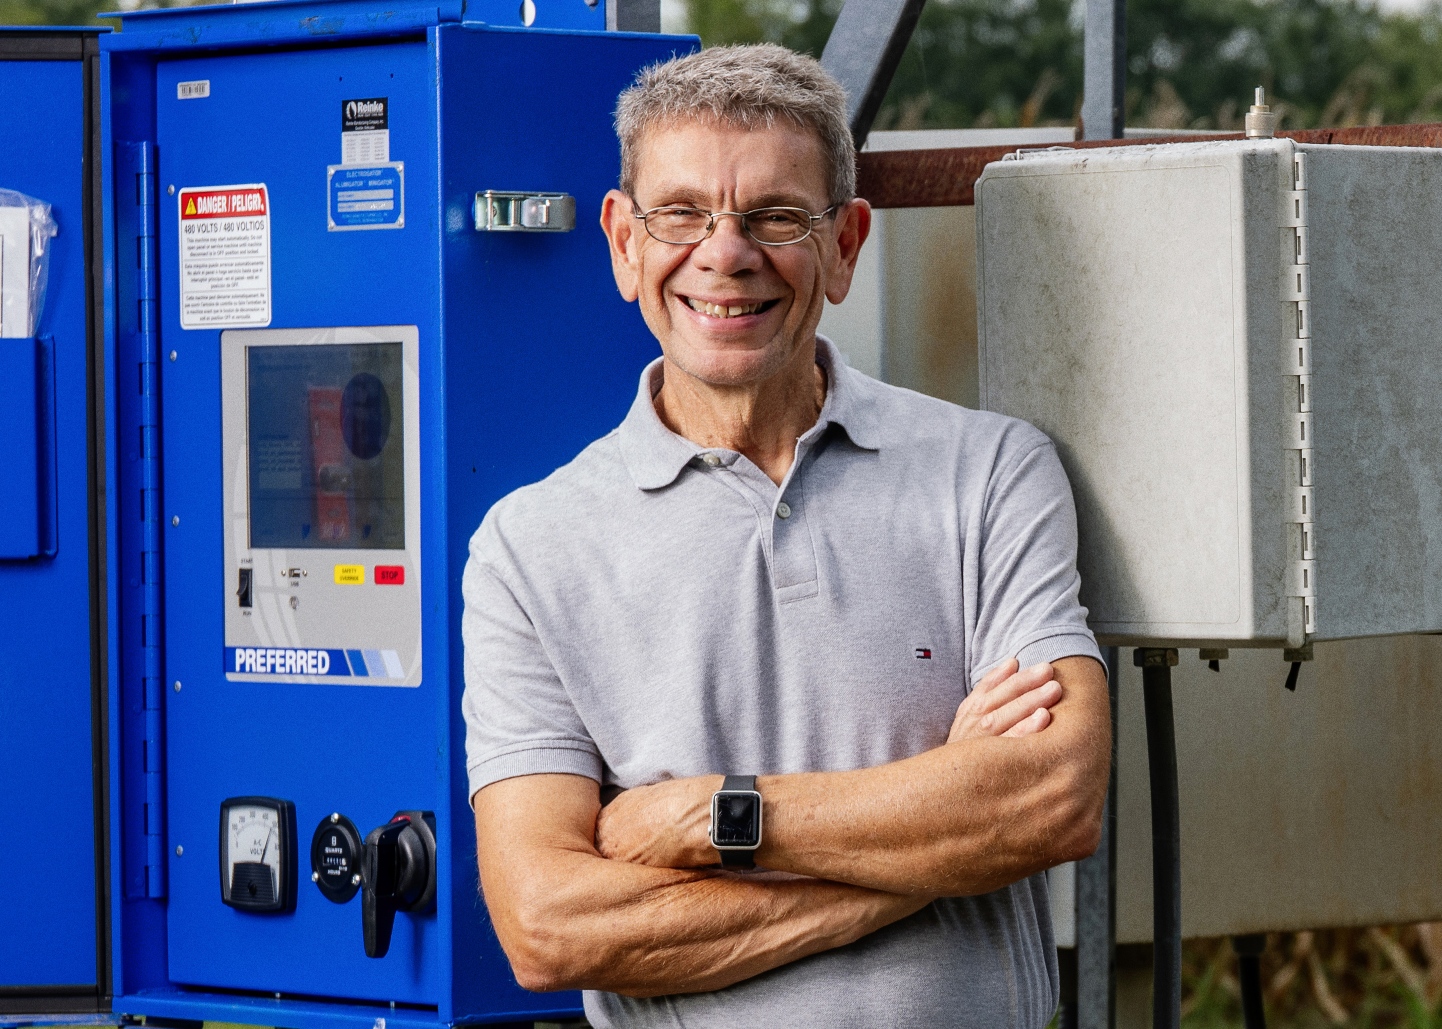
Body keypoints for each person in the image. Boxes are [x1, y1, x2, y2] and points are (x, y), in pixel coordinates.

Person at [461, 42, 1110, 1029]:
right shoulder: (528, 548)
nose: (724, 254)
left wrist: (696, 819)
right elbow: (549, 928)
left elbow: (1049, 800)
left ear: (845, 245)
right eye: (678, 214)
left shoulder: (986, 474)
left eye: (774, 217)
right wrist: (937, 842)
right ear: (622, 244)